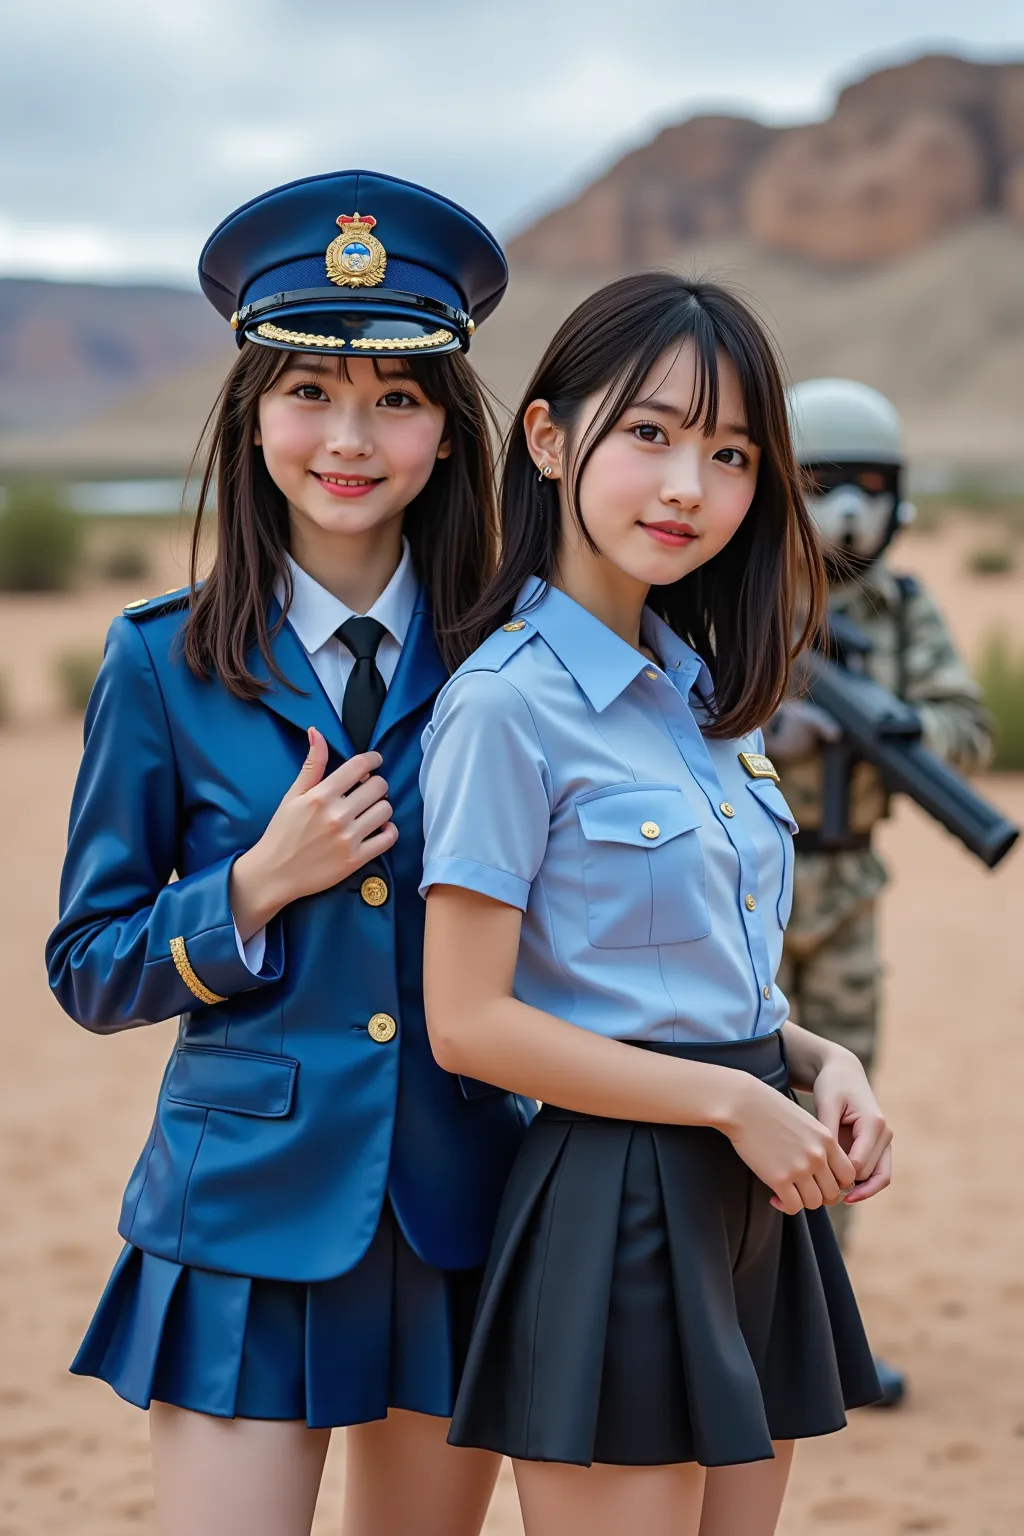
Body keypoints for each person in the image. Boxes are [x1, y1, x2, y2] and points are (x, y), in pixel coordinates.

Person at [45, 170, 532, 1536]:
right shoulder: (160, 664)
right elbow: (89, 967)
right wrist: (256, 884)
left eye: (397, 398)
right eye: (309, 391)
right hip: (244, 1221)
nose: (350, 436)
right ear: (252, 416)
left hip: (461, 1209)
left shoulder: (518, 662)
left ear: (448, 431)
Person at [416, 273, 891, 1536]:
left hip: (754, 1191)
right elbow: (467, 1021)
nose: (690, 485)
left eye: (730, 452)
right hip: (616, 1195)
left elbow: (686, 975)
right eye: (650, 433)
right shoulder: (505, 703)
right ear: (550, 437)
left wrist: (812, 1055)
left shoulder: (699, 705)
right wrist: (736, 1100)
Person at [769, 378, 994, 1406]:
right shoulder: (742, 594)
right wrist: (762, 731)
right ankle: (738, 1326)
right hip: (743, 894)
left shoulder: (899, 612)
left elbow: (965, 730)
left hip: (849, 886)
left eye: (869, 486)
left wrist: (884, 731)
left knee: (844, 1114)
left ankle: (819, 1330)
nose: (847, 509)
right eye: (823, 485)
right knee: (741, 1108)